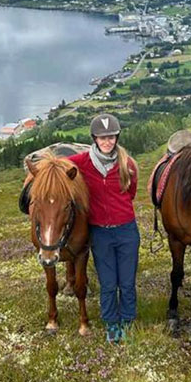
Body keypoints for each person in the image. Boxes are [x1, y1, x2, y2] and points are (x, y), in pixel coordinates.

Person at [67, 113, 139, 343]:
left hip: (127, 230)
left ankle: (127, 321)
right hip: (100, 233)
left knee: (126, 282)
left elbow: (132, 193)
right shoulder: (81, 162)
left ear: (117, 137)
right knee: (108, 283)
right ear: (94, 139)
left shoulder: (128, 163)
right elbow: (59, 168)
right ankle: (111, 323)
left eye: (111, 137)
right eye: (102, 137)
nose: (107, 142)